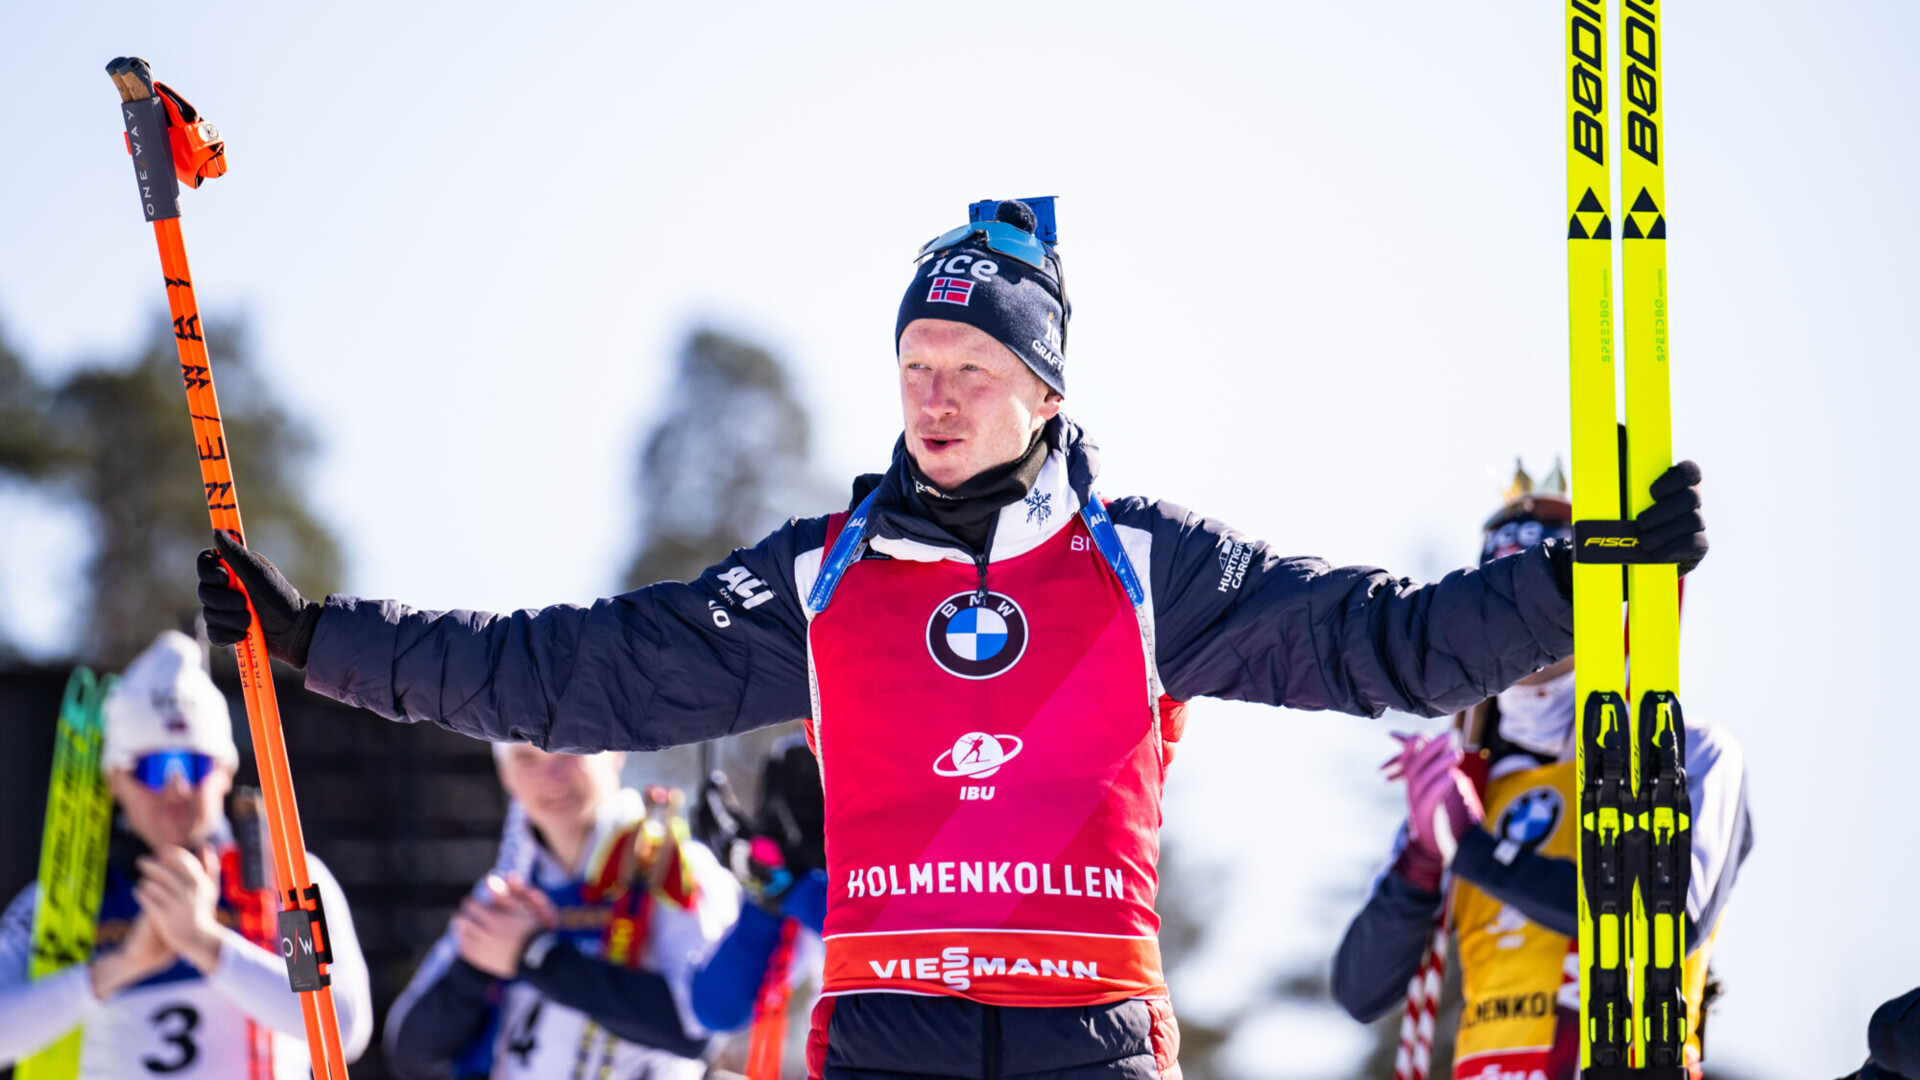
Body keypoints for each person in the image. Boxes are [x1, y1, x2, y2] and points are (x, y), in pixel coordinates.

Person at [196, 199, 1712, 1079]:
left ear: (1044, 392)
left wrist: (1576, 592)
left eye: (970, 367)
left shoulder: (1147, 569)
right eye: (915, 363)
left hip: (1089, 1035)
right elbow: (576, 671)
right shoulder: (826, 578)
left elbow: (1381, 641)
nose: (932, 395)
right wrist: (318, 638)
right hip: (889, 1035)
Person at [1329, 466, 1751, 1080]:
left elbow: (1669, 923)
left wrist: (1473, 849)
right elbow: (1361, 991)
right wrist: (1425, 855)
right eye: (1498, 606)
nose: (1518, 629)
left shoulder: (1690, 752)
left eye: (1539, 601)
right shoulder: (1470, 781)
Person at [0, 630, 373, 1078]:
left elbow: (344, 1027)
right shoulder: (62, 903)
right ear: (115, 780)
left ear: (224, 773)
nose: (175, 787)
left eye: (193, 765)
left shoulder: (285, 884)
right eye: (152, 768)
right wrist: (121, 967)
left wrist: (206, 944)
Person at [383, 742, 739, 1079]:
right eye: (525, 759)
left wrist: (534, 955)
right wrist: (476, 968)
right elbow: (408, 1051)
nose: (550, 777)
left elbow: (701, 1030)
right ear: (505, 774)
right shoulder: (506, 888)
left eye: (568, 752)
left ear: (615, 752)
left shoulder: (676, 868)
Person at [690, 732, 830, 1077]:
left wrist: (793, 887)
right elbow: (716, 1009)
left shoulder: (901, 878)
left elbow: (876, 937)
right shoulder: (805, 903)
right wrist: (765, 887)